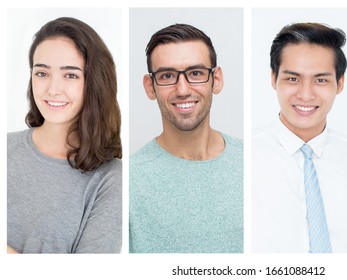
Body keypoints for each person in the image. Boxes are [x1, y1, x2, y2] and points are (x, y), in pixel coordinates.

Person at [7, 17, 122, 253]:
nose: (53, 89)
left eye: (70, 75)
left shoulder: (110, 179)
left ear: (94, 83)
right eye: (42, 73)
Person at [129, 23, 243, 253]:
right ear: (150, 87)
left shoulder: (255, 164)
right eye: (167, 75)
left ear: (216, 79)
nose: (182, 90)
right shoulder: (129, 181)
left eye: (195, 73)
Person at [252, 23, 347, 253]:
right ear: (273, 79)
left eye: (320, 80)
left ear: (340, 83)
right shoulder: (246, 158)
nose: (305, 94)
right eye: (293, 79)